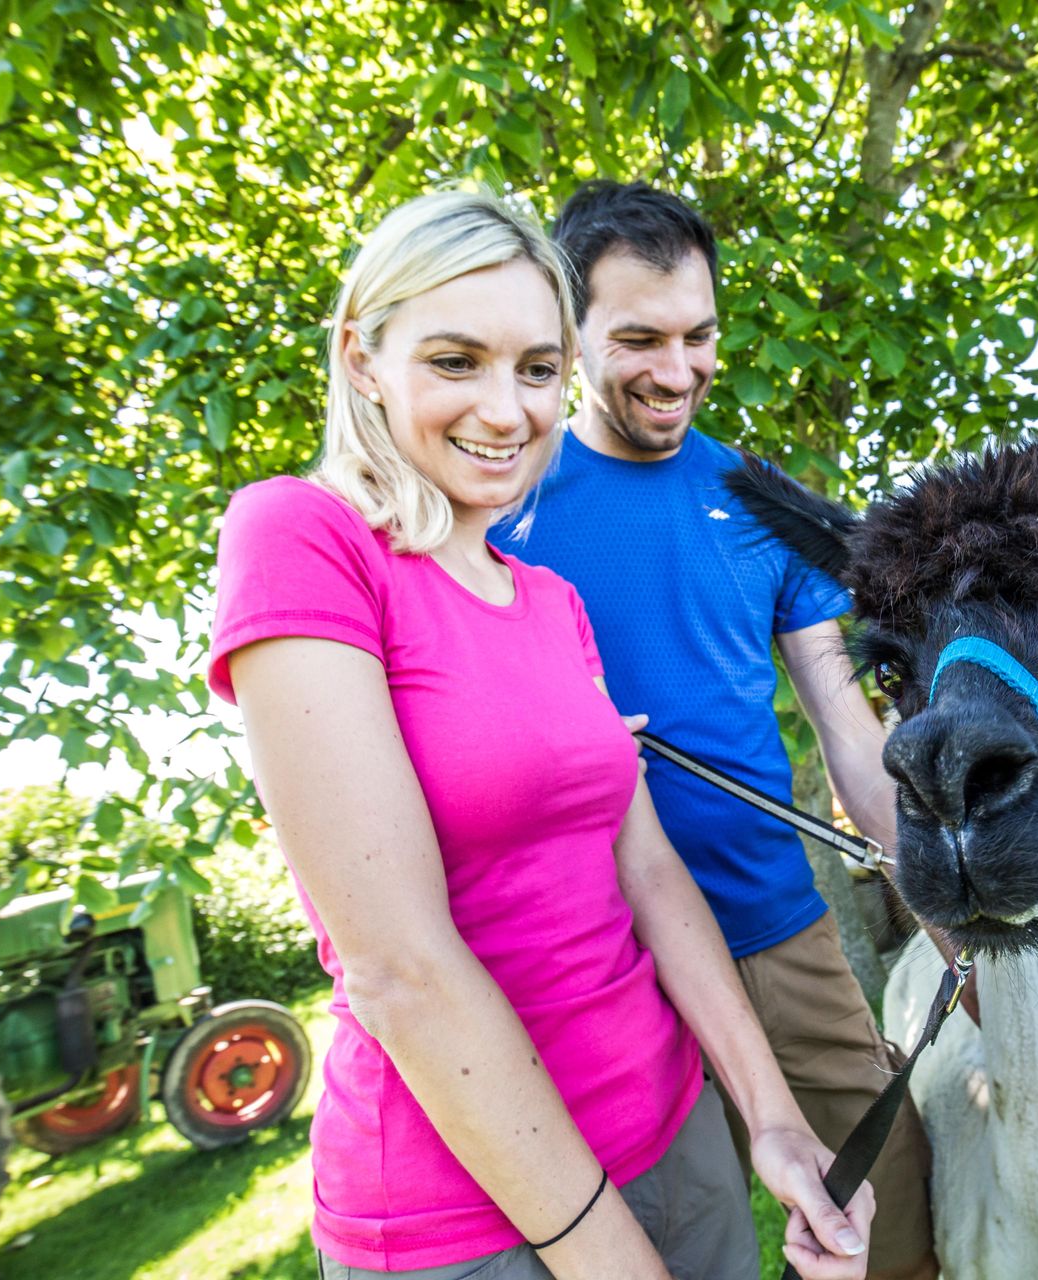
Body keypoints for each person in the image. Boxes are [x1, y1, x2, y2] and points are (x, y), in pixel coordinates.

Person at [206, 189, 874, 1280]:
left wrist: (770, 1117)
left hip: (672, 1136)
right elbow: (398, 966)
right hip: (465, 1208)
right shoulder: (304, 534)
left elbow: (650, 872)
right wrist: (606, 1253)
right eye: (457, 360)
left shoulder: (553, 600)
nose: (508, 411)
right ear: (362, 357)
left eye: (536, 369)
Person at [494, 181, 939, 1280]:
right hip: (589, 952)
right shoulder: (501, 496)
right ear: (567, 331)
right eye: (639, 339)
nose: (678, 369)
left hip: (772, 922)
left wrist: (941, 903)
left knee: (890, 1216)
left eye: (698, 336)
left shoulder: (762, 498)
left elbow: (848, 725)